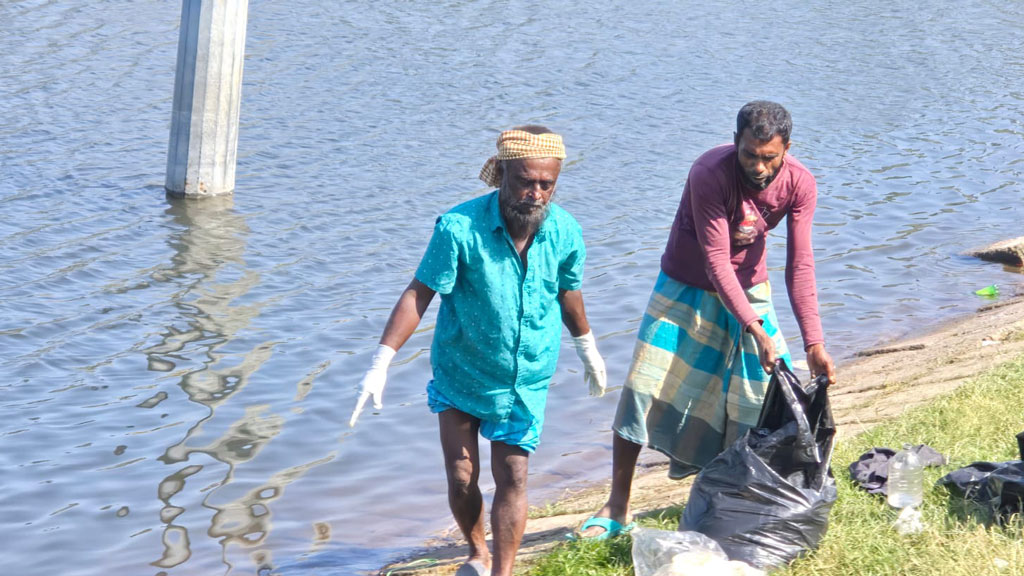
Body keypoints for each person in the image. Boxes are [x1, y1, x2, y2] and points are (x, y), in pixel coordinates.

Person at [349, 126, 607, 576]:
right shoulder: (459, 227)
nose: (535, 193)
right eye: (526, 181)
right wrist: (382, 360)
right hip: (463, 367)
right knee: (462, 475)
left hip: (526, 375)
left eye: (547, 184)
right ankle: (476, 551)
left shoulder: (565, 231)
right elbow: (419, 294)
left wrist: (588, 347)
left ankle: (502, 571)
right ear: (501, 173)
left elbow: (568, 292)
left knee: (514, 474)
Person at [575, 101, 837, 540]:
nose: (758, 166)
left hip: (751, 288)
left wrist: (814, 342)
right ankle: (618, 505)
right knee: (645, 387)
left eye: (769, 157)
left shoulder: (800, 183)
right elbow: (716, 261)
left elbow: (800, 265)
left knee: (759, 398)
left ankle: (734, 494)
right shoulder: (709, 173)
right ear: (735, 143)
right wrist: (755, 328)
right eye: (749, 154)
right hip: (685, 285)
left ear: (787, 149)